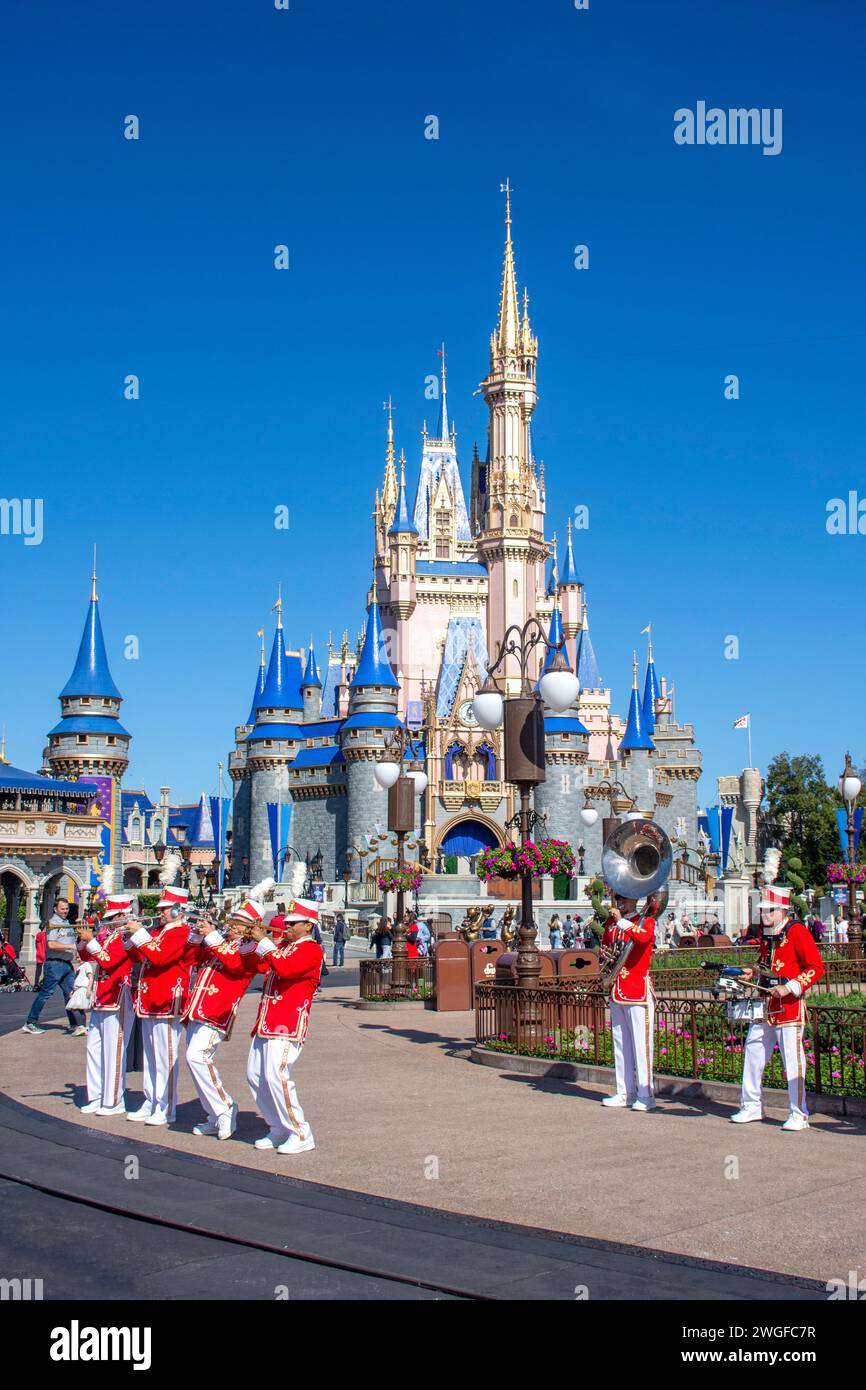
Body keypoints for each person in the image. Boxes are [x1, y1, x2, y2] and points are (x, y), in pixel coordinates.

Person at [731, 885, 824, 1131]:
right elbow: (766, 963)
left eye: (770, 911)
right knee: (753, 1053)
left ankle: (799, 1112)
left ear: (783, 910)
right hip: (766, 1005)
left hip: (789, 1007)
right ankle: (751, 1105)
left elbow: (815, 967)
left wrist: (790, 987)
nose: (765, 915)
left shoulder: (798, 932)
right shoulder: (767, 933)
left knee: (792, 1062)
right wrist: (753, 971)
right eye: (763, 911)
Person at [246, 897, 324, 1155]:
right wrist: (249, 939)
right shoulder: (283, 946)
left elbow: (286, 969)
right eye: (287, 922)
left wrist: (265, 943)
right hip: (267, 1020)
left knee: (277, 1076)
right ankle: (278, 1127)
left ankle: (301, 1132)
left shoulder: (311, 950)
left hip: (288, 1022)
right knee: (255, 1075)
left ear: (308, 925)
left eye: (293, 923)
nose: (286, 926)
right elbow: (256, 965)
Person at [184, 899, 262, 1140]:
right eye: (233, 921)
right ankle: (214, 1114)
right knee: (194, 1061)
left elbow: (234, 964)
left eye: (238, 923)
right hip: (198, 1008)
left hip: (218, 1010)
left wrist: (212, 936)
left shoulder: (248, 948)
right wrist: (198, 935)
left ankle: (225, 1107)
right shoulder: (220, 942)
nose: (232, 926)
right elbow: (188, 958)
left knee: (196, 1057)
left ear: (251, 927)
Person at [124, 885, 192, 1126]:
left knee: (166, 1057)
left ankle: (166, 1106)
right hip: (150, 998)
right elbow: (140, 957)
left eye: (165, 909)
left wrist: (140, 934)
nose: (160, 912)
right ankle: (151, 1100)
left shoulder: (181, 933)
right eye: (161, 908)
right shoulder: (160, 932)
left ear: (178, 910)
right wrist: (129, 936)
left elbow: (159, 957)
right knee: (151, 1057)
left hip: (167, 999)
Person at [75, 895, 136, 1116]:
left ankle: (113, 1100)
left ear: (123, 916)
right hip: (101, 996)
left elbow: (108, 960)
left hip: (119, 994)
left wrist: (91, 940)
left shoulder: (126, 937)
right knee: (94, 1048)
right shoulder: (106, 935)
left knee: (114, 1050)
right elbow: (85, 955)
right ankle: (96, 1095)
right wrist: (83, 939)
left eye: (113, 917)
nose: (109, 922)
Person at [600, 892, 657, 1112]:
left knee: (642, 1047)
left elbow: (642, 939)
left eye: (624, 898)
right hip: (618, 988)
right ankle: (625, 1092)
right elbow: (606, 947)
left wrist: (621, 921)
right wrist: (604, 955)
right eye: (617, 897)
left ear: (634, 900)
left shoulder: (646, 921)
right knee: (621, 1045)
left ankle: (646, 1095)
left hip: (637, 990)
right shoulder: (612, 924)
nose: (620, 902)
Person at [22, 897, 84, 1035]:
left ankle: (75, 1024)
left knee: (71, 994)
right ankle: (30, 1023)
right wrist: (71, 946)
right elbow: (51, 944)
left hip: (67, 964)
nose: (65, 911)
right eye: (62, 908)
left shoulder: (67, 923)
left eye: (66, 908)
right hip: (55, 964)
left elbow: (71, 942)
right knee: (45, 994)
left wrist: (77, 953)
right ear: (55, 909)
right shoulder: (52, 923)